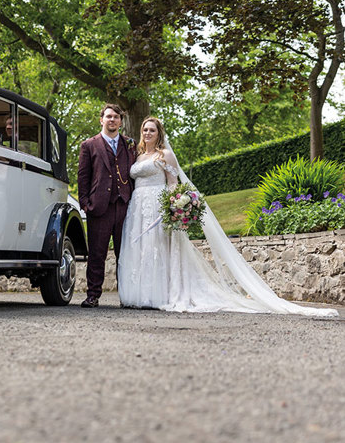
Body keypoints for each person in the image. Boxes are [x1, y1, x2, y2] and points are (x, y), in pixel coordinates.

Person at [117, 117, 338, 317]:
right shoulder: (138, 155)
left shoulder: (165, 155)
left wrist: (174, 207)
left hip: (158, 204)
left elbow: (174, 183)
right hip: (138, 206)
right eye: (145, 129)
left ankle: (163, 294)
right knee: (142, 248)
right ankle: (142, 295)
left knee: (161, 247)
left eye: (152, 130)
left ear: (159, 133)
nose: (147, 133)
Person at [77, 104, 136, 308]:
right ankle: (93, 295)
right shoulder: (89, 145)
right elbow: (83, 176)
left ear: (121, 121)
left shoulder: (130, 144)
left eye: (116, 117)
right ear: (101, 119)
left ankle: (127, 296)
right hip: (99, 208)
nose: (112, 120)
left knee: (125, 254)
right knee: (97, 254)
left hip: (125, 207)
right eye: (108, 116)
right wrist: (84, 203)